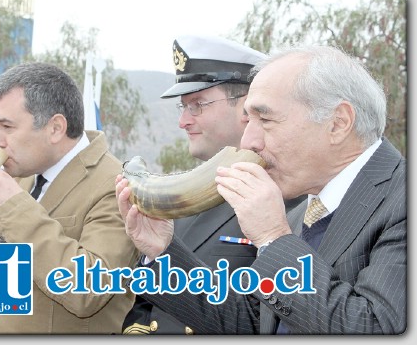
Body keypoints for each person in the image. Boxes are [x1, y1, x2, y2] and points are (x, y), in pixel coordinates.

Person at [116, 45, 406, 334]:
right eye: (248, 120)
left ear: (338, 123)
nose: (248, 141)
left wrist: (272, 238)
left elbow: (378, 328)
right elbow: (253, 323)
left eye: (265, 119)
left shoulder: (403, 199)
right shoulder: (299, 214)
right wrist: (163, 252)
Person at [0, 62, 139, 334]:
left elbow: (89, 290)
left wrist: (14, 209)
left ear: (55, 128)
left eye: (7, 126)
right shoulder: (20, 176)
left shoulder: (116, 185)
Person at [122, 35, 304, 335]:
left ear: (248, 108)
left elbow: (262, 322)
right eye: (182, 107)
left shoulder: (291, 201)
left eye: (197, 105)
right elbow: (144, 311)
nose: (183, 121)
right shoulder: (184, 197)